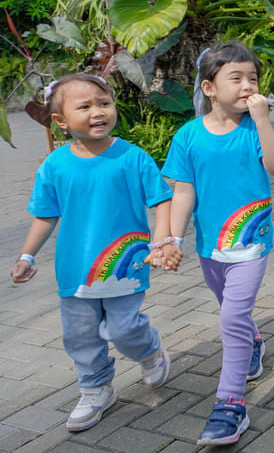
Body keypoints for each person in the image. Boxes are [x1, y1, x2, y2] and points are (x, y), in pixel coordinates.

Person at [10, 74, 174, 433]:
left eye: (104, 103)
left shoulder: (132, 157)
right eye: (84, 106)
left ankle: (149, 351)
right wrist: (27, 256)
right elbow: (45, 215)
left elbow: (162, 199)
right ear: (61, 120)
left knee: (123, 327)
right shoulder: (54, 165)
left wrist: (162, 241)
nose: (98, 112)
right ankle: (95, 388)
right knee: (80, 335)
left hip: (125, 263)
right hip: (75, 270)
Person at [162, 42, 274, 445]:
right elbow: (183, 192)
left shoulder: (254, 128)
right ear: (209, 88)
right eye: (236, 78)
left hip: (251, 243)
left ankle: (230, 405)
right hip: (210, 247)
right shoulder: (188, 136)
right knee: (231, 311)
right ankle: (254, 343)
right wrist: (172, 238)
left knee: (232, 317)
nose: (248, 85)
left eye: (253, 78)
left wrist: (263, 120)